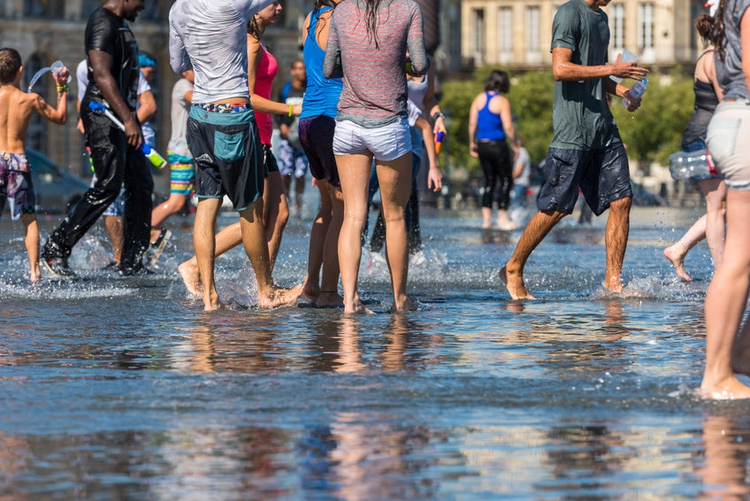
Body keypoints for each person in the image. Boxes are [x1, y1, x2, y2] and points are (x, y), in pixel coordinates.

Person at [500, 0, 649, 300]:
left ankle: (612, 282)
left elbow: (599, 76)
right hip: (573, 131)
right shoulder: (569, 13)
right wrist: (614, 68)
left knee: (622, 200)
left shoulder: (602, 18)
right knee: (556, 208)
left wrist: (624, 92)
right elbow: (561, 68)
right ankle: (514, 267)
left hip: (603, 128)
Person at [169, 0, 301, 311]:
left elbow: (177, 65)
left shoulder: (177, 8)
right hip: (232, 117)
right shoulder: (232, 4)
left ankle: (210, 297)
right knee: (251, 209)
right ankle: (266, 291)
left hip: (200, 115)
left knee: (206, 204)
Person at [323, 0, 432, 314]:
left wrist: (360, 66)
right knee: (395, 216)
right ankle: (399, 300)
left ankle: (349, 300)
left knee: (353, 216)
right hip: (389, 125)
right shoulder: (408, 9)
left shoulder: (341, 11)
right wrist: (395, 62)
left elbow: (329, 68)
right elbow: (421, 66)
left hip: (347, 125)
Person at [42, 0, 153, 278]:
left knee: (141, 185)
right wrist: (129, 119)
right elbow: (102, 75)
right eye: (140, 1)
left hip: (122, 115)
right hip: (104, 115)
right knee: (108, 185)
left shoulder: (121, 25)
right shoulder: (103, 22)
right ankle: (56, 248)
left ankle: (131, 261)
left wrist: (130, 118)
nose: (144, 6)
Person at [700, 0, 750, 399]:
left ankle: (742, 352)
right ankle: (716, 377)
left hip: (733, 121)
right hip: (745, 123)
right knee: (738, 259)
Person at [74, 58, 157, 269]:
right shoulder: (84, 68)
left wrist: (128, 128)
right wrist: (87, 125)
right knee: (110, 198)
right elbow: (82, 101)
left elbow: (149, 106)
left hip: (138, 137)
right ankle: (122, 258)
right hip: (107, 140)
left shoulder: (128, 65)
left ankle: (134, 257)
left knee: (137, 194)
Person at [663, 16, 726, 282]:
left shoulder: (713, 56)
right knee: (718, 207)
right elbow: (729, 102)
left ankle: (679, 249)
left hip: (710, 134)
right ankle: (723, 273)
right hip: (706, 137)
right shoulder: (713, 59)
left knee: (726, 207)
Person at [0, 48, 69, 282]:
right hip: (17, 161)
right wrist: (62, 88)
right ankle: (34, 272)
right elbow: (60, 118)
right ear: (21, 71)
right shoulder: (30, 99)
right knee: (29, 218)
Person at [299, 0, 345, 308]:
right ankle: (329, 292)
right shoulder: (343, 18)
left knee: (327, 207)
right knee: (345, 207)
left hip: (307, 118)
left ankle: (312, 285)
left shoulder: (309, 18)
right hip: (332, 116)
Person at [147, 69, 196, 266]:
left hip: (190, 152)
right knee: (176, 202)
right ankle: (144, 232)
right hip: (182, 151)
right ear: (185, 71)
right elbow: (195, 99)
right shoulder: (182, 85)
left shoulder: (189, 85)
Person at [469, 70, 517, 231]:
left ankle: (486, 220)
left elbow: (472, 124)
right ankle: (502, 218)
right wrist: (516, 144)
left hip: (482, 145)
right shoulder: (502, 101)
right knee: (505, 180)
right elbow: (508, 127)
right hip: (498, 145)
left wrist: (472, 143)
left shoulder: (478, 99)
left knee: (489, 181)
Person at [275, 59, 308, 218]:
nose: (302, 72)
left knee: (300, 174)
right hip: (287, 138)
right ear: (292, 71)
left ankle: (298, 206)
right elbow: (277, 109)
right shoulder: (286, 89)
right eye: (299, 69)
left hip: (304, 140)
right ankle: (285, 201)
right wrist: (282, 125)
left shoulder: (309, 88)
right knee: (285, 172)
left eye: (304, 69)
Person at [511, 137, 532, 210]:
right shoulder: (524, 153)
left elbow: (518, 171)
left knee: (515, 205)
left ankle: (516, 221)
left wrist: (509, 178)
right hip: (524, 183)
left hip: (520, 183)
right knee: (521, 205)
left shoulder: (521, 154)